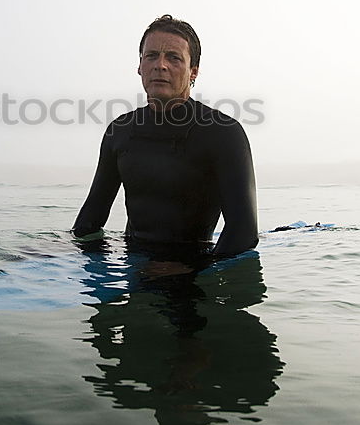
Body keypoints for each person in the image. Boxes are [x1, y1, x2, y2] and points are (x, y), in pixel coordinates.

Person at [72, 14, 258, 259]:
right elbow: (89, 221)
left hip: (191, 269)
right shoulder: (120, 130)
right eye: (151, 56)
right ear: (140, 66)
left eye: (174, 58)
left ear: (194, 71)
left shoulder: (222, 132)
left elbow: (243, 233)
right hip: (133, 261)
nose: (161, 65)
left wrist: (188, 273)